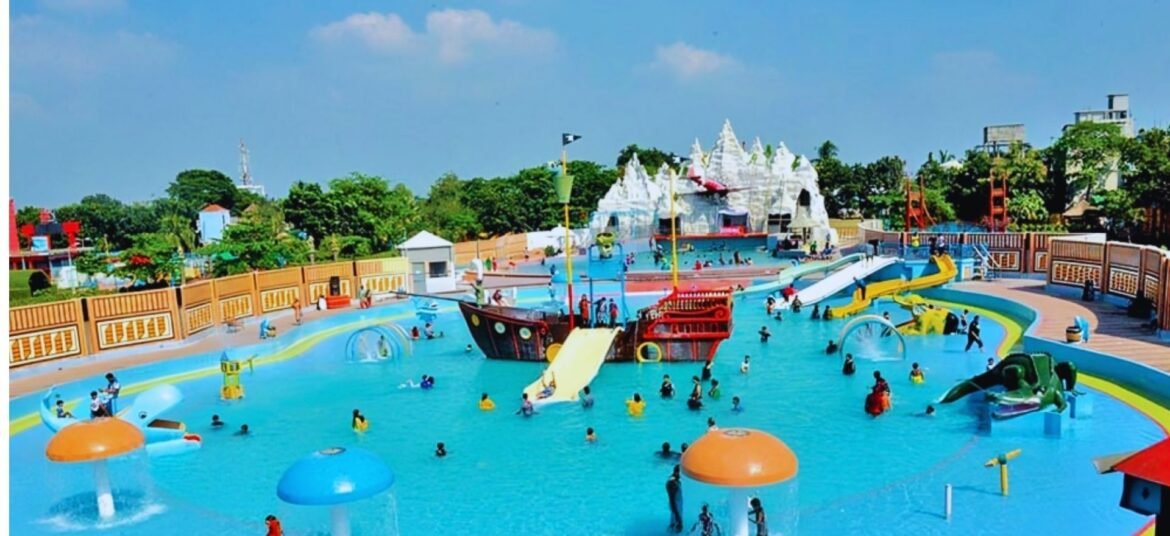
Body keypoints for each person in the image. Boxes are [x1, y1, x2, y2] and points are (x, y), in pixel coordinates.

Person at [667, 465, 685, 533]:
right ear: (677, 472)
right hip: (676, 507)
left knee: (674, 525)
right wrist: (677, 515)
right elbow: (672, 499)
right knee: (676, 525)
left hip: (677, 507)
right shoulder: (672, 483)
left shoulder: (677, 481)